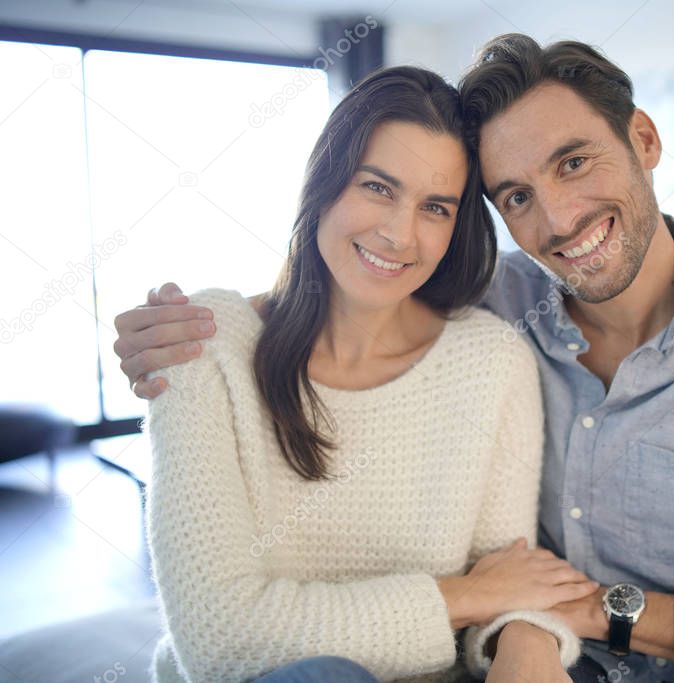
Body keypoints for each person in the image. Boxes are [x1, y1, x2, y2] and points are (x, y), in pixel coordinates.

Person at [115, 36, 674, 682]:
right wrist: (201, 331)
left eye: (574, 162)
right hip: (520, 645)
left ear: (646, 140)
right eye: (515, 196)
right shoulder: (497, 303)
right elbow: (365, 277)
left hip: (673, 659)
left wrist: (592, 608)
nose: (558, 221)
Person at [135, 65, 600, 683]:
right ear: (325, 183)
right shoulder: (206, 342)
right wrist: (458, 597)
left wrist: (525, 638)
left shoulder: (490, 360)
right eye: (378, 187)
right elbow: (220, 640)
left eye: (434, 207)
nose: (398, 233)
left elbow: (505, 584)